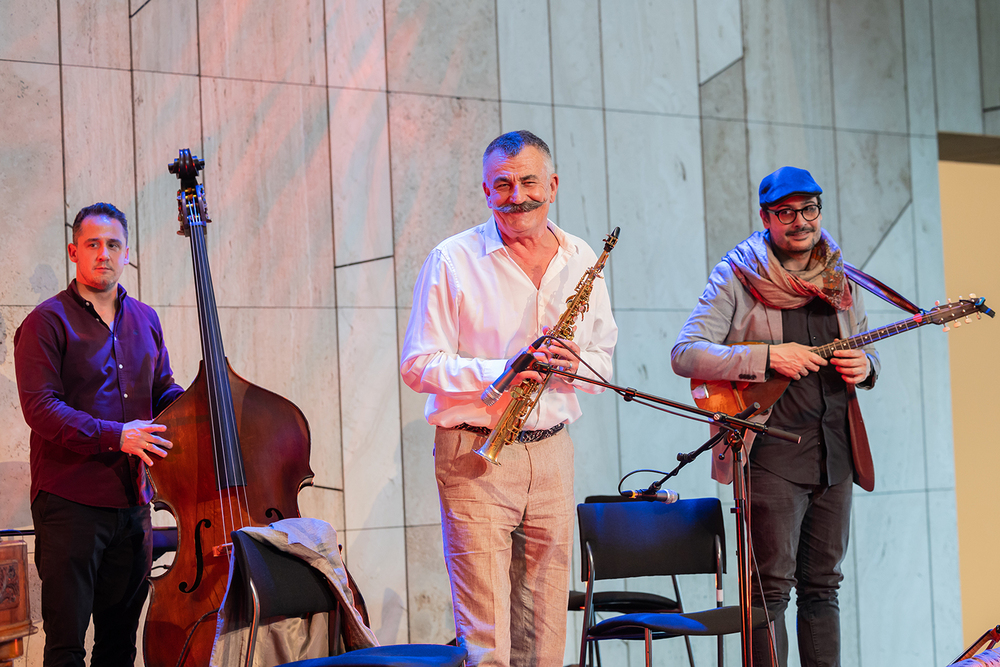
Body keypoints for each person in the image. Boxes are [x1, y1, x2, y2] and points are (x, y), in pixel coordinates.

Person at [400, 130, 618, 667]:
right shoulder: (451, 260)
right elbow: (417, 364)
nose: (516, 195)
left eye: (527, 181)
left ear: (553, 185)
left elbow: (604, 358)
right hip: (475, 452)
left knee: (545, 627)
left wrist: (580, 367)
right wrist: (505, 370)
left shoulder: (581, 257)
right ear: (485, 190)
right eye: (502, 184)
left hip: (552, 451)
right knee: (488, 634)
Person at [671, 167, 880, 667]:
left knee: (823, 586)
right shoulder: (737, 275)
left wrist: (867, 366)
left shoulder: (839, 275)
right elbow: (685, 353)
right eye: (786, 212)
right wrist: (766, 357)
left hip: (836, 452)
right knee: (770, 592)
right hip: (771, 452)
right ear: (766, 218)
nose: (800, 222)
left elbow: (867, 345)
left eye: (809, 209)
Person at [14, 202, 185, 667]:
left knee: (118, 646)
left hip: (133, 504)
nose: (103, 254)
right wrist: (117, 436)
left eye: (113, 245)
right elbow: (41, 409)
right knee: (66, 647)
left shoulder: (146, 319)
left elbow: (163, 389)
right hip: (70, 503)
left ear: (127, 253)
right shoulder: (46, 323)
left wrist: (197, 404)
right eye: (92, 244)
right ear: (74, 251)